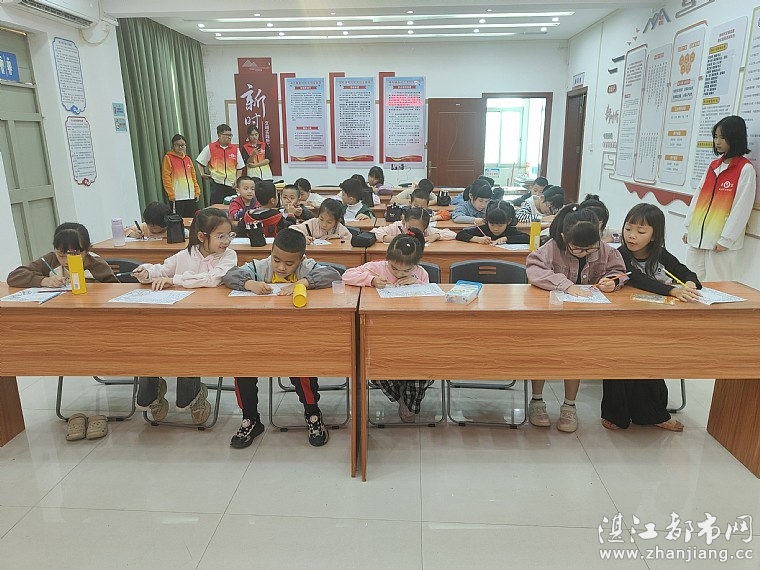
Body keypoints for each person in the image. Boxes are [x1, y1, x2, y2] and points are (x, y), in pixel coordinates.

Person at [223, 228, 340, 447]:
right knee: (241, 366)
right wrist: (249, 284)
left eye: (289, 263)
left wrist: (302, 282)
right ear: (271, 253)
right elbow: (229, 275)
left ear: (301, 259)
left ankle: (312, 413)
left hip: (295, 338)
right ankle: (250, 418)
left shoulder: (307, 267)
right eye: (276, 260)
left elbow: (333, 274)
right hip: (258, 335)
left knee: (301, 367)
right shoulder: (259, 267)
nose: (281, 267)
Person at [525, 204, 628, 433]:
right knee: (542, 355)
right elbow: (533, 270)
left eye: (590, 249)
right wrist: (566, 285)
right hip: (551, 316)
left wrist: (613, 281)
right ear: (564, 237)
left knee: (575, 358)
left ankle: (569, 406)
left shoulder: (605, 250)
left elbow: (619, 271)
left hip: (584, 318)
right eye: (577, 248)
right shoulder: (552, 248)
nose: (584, 253)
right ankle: (537, 401)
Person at [131, 208, 237, 424]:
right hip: (176, 319)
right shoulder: (185, 255)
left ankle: (193, 396)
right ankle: (152, 393)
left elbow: (213, 279)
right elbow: (163, 269)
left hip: (207, 322)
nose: (226, 241)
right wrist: (147, 272)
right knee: (149, 343)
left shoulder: (228, 256)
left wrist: (175, 280)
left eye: (229, 235)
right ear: (202, 236)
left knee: (187, 348)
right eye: (220, 236)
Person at [603, 203, 703, 432]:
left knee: (652, 361)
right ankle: (616, 414)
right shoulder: (619, 254)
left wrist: (688, 283)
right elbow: (638, 279)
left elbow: (687, 273)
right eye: (628, 228)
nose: (632, 235)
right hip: (624, 323)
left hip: (656, 322)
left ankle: (653, 414)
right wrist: (672, 290)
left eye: (641, 231)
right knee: (621, 359)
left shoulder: (661, 255)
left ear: (654, 235)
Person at [342, 228, 431, 421]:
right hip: (380, 333)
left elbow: (429, 297)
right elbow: (347, 275)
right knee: (374, 367)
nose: (399, 273)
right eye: (395, 268)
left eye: (406, 270)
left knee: (425, 367)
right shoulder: (377, 268)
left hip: (411, 333)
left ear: (415, 264)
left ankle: (411, 402)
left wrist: (416, 282)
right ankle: (401, 399)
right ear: (387, 258)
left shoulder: (420, 274)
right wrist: (372, 280)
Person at [683, 115, 756, 281]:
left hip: (720, 243)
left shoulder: (745, 169)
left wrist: (726, 239)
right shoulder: (713, 166)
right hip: (697, 238)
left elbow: (742, 208)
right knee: (690, 282)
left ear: (735, 137)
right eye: (715, 137)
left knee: (718, 287)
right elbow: (698, 198)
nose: (717, 141)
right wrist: (689, 228)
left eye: (722, 137)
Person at [8, 223, 118, 287]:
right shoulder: (51, 259)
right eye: (61, 255)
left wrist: (90, 285)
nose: (67, 261)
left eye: (74, 254)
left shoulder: (97, 266)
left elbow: (116, 289)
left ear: (88, 249)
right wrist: (44, 281)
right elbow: (14, 276)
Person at [196, 123, 245, 205]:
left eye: (230, 135)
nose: (229, 137)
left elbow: (240, 167)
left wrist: (237, 180)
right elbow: (200, 161)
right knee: (216, 207)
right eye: (227, 135)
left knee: (232, 206)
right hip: (217, 184)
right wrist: (202, 173)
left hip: (231, 184)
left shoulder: (235, 149)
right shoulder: (210, 147)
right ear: (219, 135)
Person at [162, 134, 201, 217]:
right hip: (177, 197)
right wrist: (171, 194)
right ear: (173, 145)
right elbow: (166, 177)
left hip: (191, 196)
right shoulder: (168, 158)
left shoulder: (188, 159)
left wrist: (197, 192)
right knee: (178, 220)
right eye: (177, 145)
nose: (180, 147)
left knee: (191, 220)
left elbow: (193, 177)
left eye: (182, 145)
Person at [372, 207, 456, 243]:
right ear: (404, 221)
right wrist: (392, 239)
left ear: (425, 228)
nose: (412, 231)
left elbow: (452, 234)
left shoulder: (427, 230)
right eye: (410, 228)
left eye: (418, 230)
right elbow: (373, 232)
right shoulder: (397, 226)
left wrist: (436, 235)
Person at [456, 203, 529, 244]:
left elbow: (527, 238)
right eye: (492, 224)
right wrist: (477, 239)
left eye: (500, 225)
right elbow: (460, 234)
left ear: (508, 222)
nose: (495, 229)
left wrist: (506, 238)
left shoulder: (509, 230)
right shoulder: (484, 229)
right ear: (487, 221)